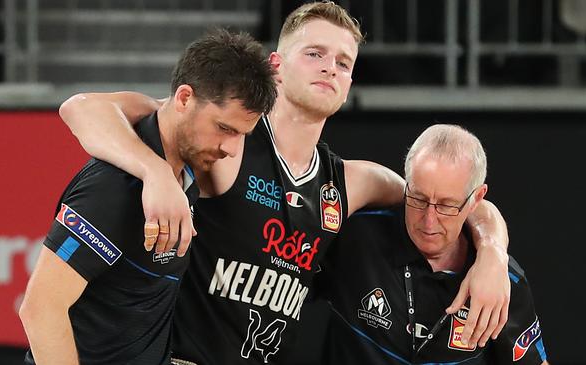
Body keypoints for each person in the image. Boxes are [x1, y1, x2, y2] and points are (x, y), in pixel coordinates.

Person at [57, 3, 511, 364]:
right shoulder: (227, 141)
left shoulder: (352, 181)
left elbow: (456, 202)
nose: (330, 68)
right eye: (314, 54)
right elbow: (81, 108)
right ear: (276, 65)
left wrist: (492, 255)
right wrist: (154, 170)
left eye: (343, 62)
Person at [17, 29, 277, 365]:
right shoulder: (113, 187)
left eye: (242, 134)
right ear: (184, 99)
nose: (230, 148)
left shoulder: (186, 175)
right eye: (224, 128)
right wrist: (154, 172)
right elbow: (40, 310)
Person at [319, 124, 548, 364]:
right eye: (418, 198)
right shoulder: (357, 238)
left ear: (476, 199)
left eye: (447, 206)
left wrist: (494, 252)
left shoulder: (500, 281)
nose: (429, 220)